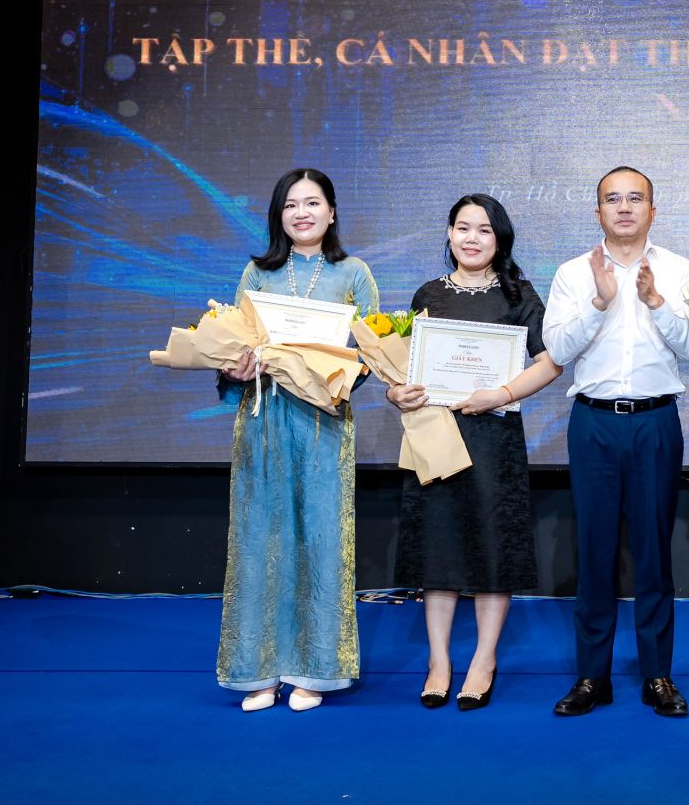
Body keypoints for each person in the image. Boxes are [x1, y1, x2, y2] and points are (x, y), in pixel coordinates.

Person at [386, 195, 562, 711]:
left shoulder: (519, 295)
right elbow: (404, 367)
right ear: (448, 233)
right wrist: (396, 392)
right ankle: (438, 662)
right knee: (437, 545)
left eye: (484, 230)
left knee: (492, 545)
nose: (472, 238)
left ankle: (484, 660)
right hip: (434, 434)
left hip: (493, 437)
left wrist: (502, 394)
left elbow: (551, 362)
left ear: (499, 239)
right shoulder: (428, 294)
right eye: (463, 228)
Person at [542, 166, 689, 717]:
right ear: (598, 212)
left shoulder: (678, 269)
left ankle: (658, 674)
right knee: (595, 553)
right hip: (594, 424)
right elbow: (556, 349)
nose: (625, 208)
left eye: (636, 198)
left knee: (654, 553)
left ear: (653, 210)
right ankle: (593, 677)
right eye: (613, 199)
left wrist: (657, 302)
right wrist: (599, 303)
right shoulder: (573, 273)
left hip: (656, 422)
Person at [215, 168, 378, 712]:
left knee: (320, 540)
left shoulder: (354, 273)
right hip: (264, 419)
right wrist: (233, 368)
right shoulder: (257, 273)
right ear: (278, 216)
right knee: (260, 539)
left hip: (323, 422)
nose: (301, 213)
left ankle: (314, 670)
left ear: (332, 211)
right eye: (290, 205)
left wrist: (331, 379)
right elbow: (234, 347)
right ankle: (259, 670)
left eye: (312, 203)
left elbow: (371, 355)